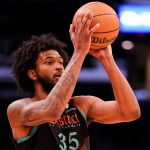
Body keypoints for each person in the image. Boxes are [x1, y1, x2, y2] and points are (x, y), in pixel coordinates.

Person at [7, 11, 141, 150]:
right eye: (49, 62)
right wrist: (79, 52)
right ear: (32, 74)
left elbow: (130, 112)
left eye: (60, 62)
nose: (59, 66)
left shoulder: (81, 105)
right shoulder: (18, 109)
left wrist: (106, 58)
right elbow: (52, 111)